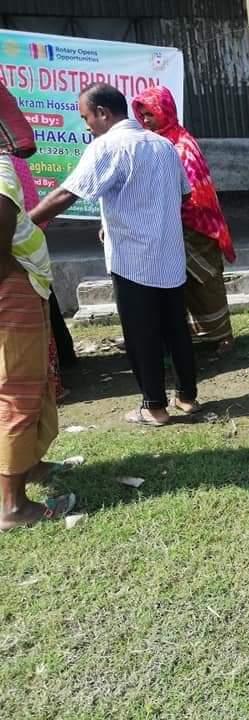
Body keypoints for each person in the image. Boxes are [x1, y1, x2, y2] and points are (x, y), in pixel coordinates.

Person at [31, 83, 199, 427]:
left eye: (86, 117)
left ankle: (154, 407)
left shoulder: (108, 145)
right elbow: (182, 194)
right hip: (168, 253)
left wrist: (24, 223)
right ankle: (187, 397)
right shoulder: (164, 144)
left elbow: (68, 193)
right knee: (175, 327)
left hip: (134, 258)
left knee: (141, 333)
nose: (87, 125)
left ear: (103, 113)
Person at [0, 83, 76, 530]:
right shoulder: (0, 173)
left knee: (31, 382)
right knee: (19, 390)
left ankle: (29, 464)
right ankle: (12, 505)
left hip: (20, 287)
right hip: (11, 292)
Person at [132, 86, 237, 355]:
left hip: (196, 226)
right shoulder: (150, 144)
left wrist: (171, 208)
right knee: (179, 283)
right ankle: (191, 335)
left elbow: (197, 193)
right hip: (167, 225)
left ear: (165, 111)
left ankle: (223, 334)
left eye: (151, 114)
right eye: (142, 115)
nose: (146, 120)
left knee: (206, 281)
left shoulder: (182, 145)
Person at [11, 155, 76, 401]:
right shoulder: (14, 160)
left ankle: (44, 385)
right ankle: (61, 365)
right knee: (44, 307)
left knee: (30, 318)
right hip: (28, 243)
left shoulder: (7, 165)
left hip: (15, 247)